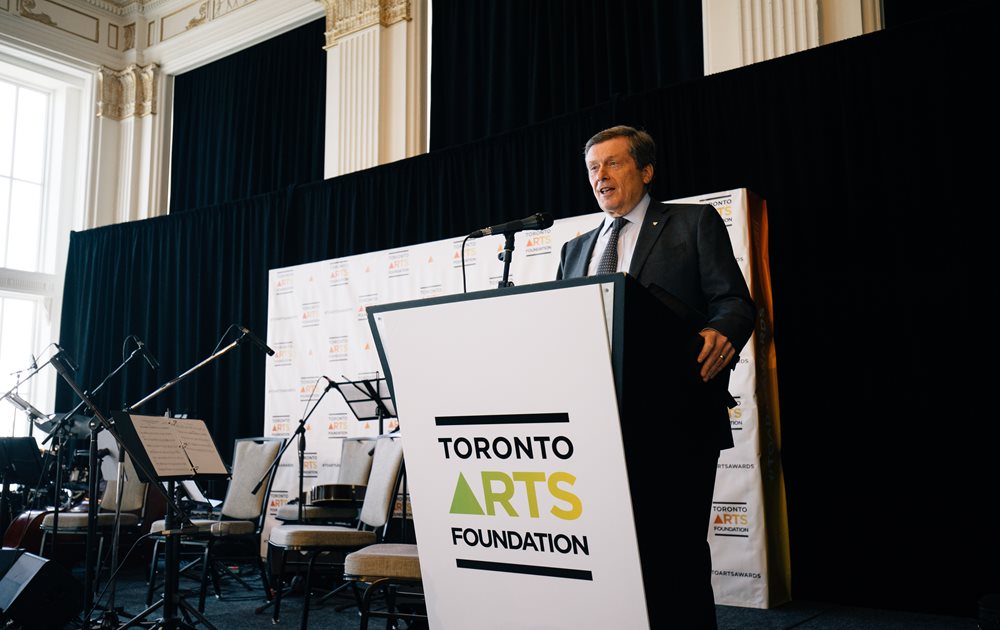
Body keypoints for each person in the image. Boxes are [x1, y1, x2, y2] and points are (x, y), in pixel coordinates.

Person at [557, 125, 755, 629]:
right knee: (611, 555)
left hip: (676, 415)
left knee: (675, 554)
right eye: (593, 168)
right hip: (598, 422)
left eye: (613, 163)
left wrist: (721, 331)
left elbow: (733, 300)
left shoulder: (691, 223)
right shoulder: (574, 251)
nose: (601, 176)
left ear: (645, 170)